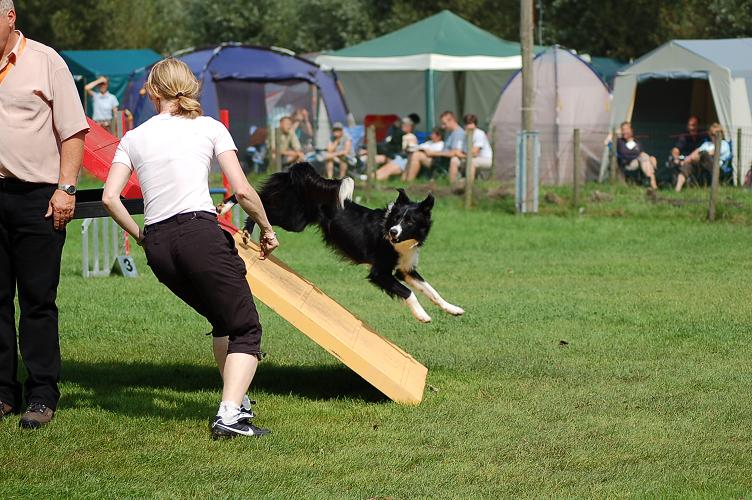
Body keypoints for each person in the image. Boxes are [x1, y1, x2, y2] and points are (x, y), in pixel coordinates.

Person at [102, 58, 279, 439]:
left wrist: (141, 236)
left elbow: (109, 198)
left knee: (223, 320)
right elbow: (244, 190)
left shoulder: (133, 137)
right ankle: (229, 417)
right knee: (247, 328)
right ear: (189, 87)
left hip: (159, 245)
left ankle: (239, 404)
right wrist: (266, 228)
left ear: (154, 92)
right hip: (199, 234)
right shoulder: (210, 127)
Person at [0, 0, 89, 429]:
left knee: (37, 300)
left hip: (37, 195)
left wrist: (66, 188)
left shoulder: (45, 60)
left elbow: (73, 129)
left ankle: (41, 394)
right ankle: (2, 392)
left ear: (10, 16)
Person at [404, 111, 465, 182]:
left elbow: (454, 153)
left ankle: (409, 181)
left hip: (446, 162)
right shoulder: (449, 132)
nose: (443, 126)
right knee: (414, 154)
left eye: (444, 124)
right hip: (441, 159)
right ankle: (405, 180)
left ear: (452, 120)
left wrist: (434, 153)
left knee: (416, 155)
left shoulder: (458, 134)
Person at [675, 122, 731, 192]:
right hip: (700, 165)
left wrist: (695, 156)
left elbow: (712, 153)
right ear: (710, 135)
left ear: (721, 134)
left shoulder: (724, 144)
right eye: (712, 134)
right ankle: (677, 189)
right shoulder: (706, 144)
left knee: (704, 155)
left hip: (716, 167)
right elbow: (695, 153)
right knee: (687, 165)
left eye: (717, 133)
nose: (714, 136)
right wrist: (687, 159)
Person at [448, 114, 493, 187]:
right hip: (467, 158)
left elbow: (475, 153)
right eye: (467, 124)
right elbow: (456, 151)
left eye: (471, 123)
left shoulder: (479, 134)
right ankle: (452, 185)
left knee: (472, 162)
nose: (469, 126)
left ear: (475, 125)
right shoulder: (462, 135)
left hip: (485, 159)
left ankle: (469, 187)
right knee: (454, 160)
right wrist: (464, 155)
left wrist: (462, 155)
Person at [615, 121, 657, 189]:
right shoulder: (619, 141)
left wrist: (650, 158)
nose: (625, 131)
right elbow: (607, 142)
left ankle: (652, 182)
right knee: (644, 158)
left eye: (627, 129)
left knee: (644, 157)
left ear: (631, 130)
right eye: (623, 129)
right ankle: (652, 181)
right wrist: (616, 132)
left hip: (638, 162)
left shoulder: (636, 142)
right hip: (626, 164)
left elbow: (642, 153)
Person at [375, 117, 418, 181]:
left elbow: (411, 152)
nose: (402, 126)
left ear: (410, 127)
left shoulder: (411, 137)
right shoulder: (399, 134)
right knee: (378, 169)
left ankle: (371, 182)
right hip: (396, 157)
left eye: (405, 124)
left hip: (402, 160)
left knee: (384, 172)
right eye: (402, 124)